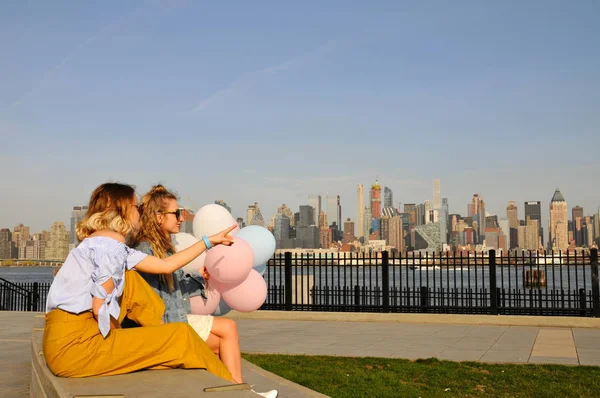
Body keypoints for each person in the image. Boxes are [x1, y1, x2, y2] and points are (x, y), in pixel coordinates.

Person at [43, 182, 235, 382]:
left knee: (132, 279)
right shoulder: (111, 247)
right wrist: (116, 332)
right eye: (137, 207)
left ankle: (161, 329)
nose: (141, 212)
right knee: (182, 336)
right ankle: (236, 392)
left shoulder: (96, 244)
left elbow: (166, 265)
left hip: (62, 342)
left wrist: (207, 242)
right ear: (121, 211)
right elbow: (98, 305)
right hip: (79, 347)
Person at [134, 185, 278, 398]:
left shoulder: (162, 247)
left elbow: (174, 288)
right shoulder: (145, 249)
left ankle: (239, 391)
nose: (181, 218)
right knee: (227, 329)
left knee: (223, 342)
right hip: (167, 324)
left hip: (174, 319)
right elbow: (158, 287)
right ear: (158, 217)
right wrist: (209, 242)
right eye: (176, 213)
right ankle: (242, 393)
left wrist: (201, 279)